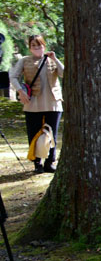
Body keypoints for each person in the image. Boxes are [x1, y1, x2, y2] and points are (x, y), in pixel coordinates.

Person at [9, 34, 64, 173]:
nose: (37, 48)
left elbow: (64, 73)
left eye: (39, 45)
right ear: (30, 47)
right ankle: (37, 163)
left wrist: (55, 58)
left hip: (53, 102)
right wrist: (20, 91)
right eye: (33, 45)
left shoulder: (51, 59)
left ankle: (50, 162)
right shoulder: (24, 60)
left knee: (51, 134)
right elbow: (13, 76)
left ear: (44, 45)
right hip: (32, 103)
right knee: (34, 134)